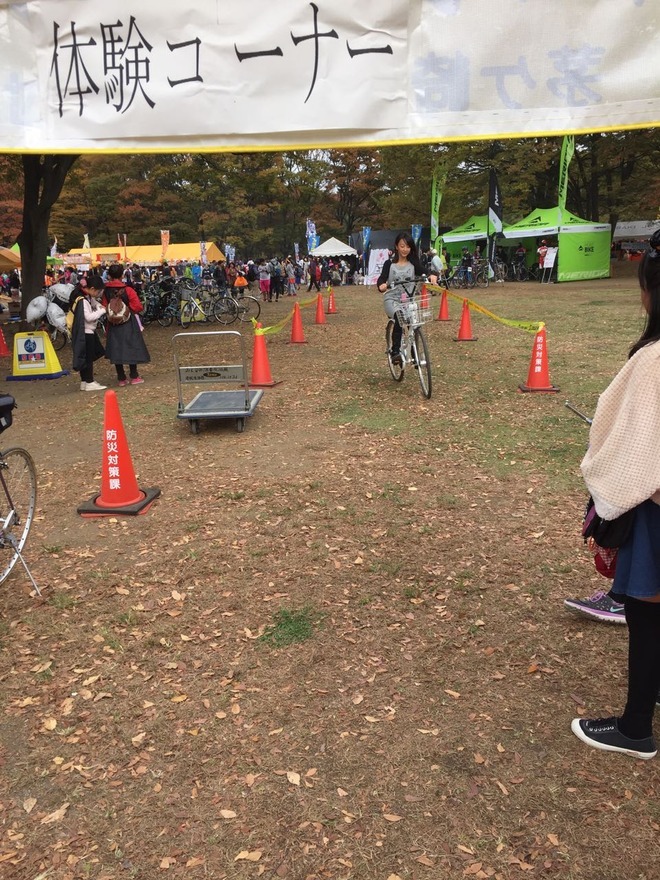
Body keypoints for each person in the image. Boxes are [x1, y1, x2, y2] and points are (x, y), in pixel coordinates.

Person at [571, 231, 660, 760]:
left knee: (648, 614)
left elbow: (628, 436)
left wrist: (606, 481)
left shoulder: (653, 361)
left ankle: (634, 728)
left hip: (653, 505)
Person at [377, 232, 437, 365]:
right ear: (396, 247)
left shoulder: (413, 262)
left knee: (413, 323)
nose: (405, 249)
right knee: (399, 317)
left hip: (408, 300)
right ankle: (395, 352)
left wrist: (432, 275)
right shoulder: (389, 264)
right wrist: (381, 285)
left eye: (408, 246)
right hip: (392, 299)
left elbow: (424, 270)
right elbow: (382, 278)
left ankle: (414, 354)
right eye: (402, 246)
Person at [102, 263, 150, 386]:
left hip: (113, 323)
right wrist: (127, 309)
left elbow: (104, 306)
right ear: (122, 274)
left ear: (109, 275)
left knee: (116, 348)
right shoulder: (128, 290)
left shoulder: (106, 291)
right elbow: (138, 306)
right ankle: (134, 376)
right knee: (131, 347)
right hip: (128, 322)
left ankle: (121, 378)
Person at [71, 273, 107, 392]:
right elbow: (89, 317)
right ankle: (90, 382)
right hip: (86, 332)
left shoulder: (85, 297)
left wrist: (98, 305)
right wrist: (101, 312)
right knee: (88, 359)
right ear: (91, 289)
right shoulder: (83, 300)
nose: (98, 295)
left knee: (85, 358)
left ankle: (85, 381)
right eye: (98, 292)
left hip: (85, 332)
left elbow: (95, 303)